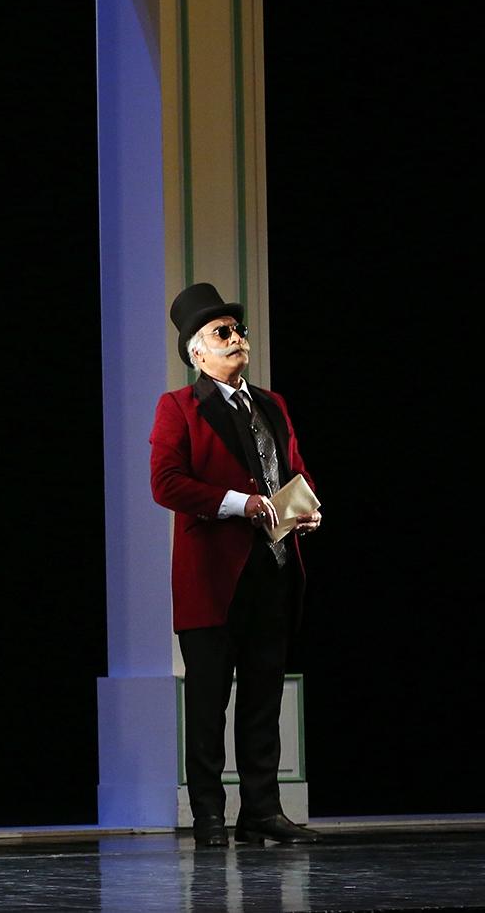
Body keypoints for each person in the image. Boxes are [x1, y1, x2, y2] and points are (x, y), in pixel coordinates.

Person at [150, 284, 323, 848]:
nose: (237, 339)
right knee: (208, 702)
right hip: (212, 579)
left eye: (238, 330)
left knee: (263, 698)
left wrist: (306, 508)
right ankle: (208, 816)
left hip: (272, 569)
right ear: (196, 351)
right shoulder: (179, 407)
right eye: (222, 332)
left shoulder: (272, 404)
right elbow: (166, 483)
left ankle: (261, 811)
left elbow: (293, 469)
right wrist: (238, 503)